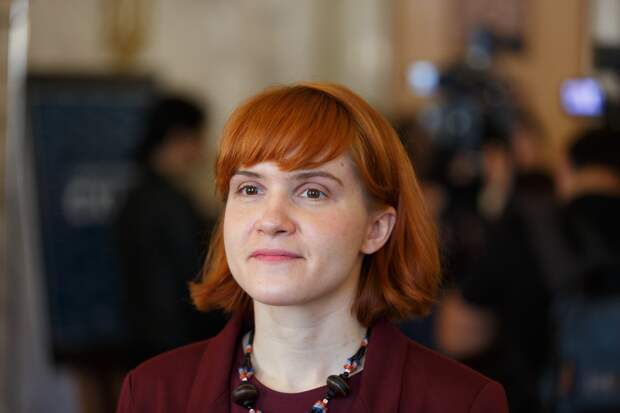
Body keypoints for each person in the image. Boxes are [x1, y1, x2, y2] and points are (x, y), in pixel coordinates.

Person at [116, 83, 508, 413]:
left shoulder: (461, 403)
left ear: (375, 229)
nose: (271, 220)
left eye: (312, 192)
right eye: (250, 189)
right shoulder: (152, 393)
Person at [114, 95, 225, 367]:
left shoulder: (133, 197)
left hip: (141, 340)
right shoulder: (170, 203)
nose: (201, 151)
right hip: (179, 343)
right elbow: (197, 273)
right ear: (178, 137)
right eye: (198, 139)